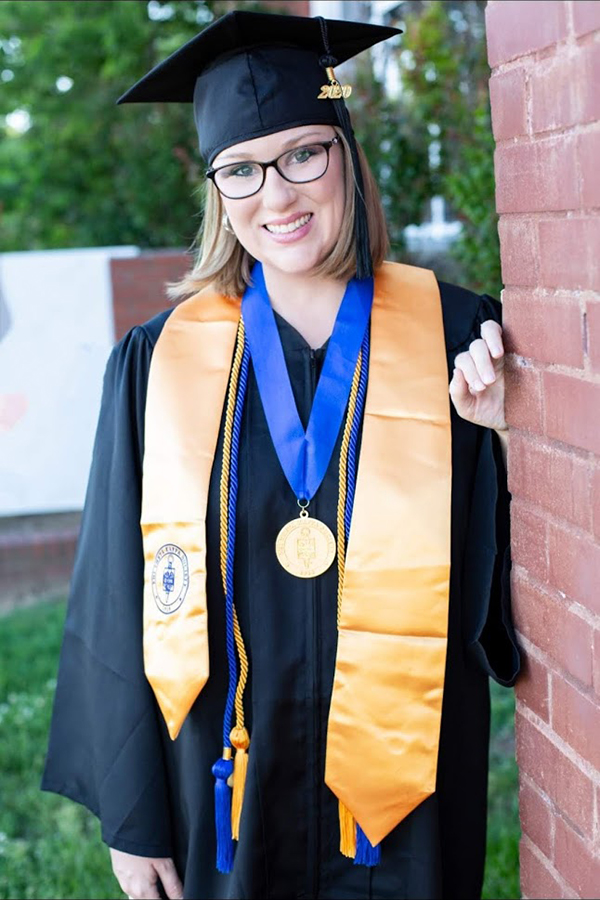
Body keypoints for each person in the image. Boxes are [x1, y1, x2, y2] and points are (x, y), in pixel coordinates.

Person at [41, 9, 520, 900]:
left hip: (399, 798)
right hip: (223, 792)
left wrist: (499, 441)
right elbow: (115, 591)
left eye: (305, 153)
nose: (278, 194)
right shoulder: (158, 361)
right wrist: (134, 816)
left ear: (346, 155)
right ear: (218, 189)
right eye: (242, 170)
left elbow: (519, 583)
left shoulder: (457, 335)